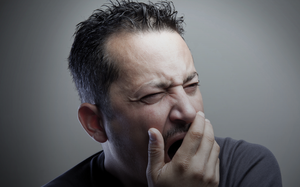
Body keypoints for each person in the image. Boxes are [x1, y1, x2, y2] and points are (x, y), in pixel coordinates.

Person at [43, 0, 282, 186]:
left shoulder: (247, 168)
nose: (189, 112)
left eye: (191, 85)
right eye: (152, 95)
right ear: (95, 123)